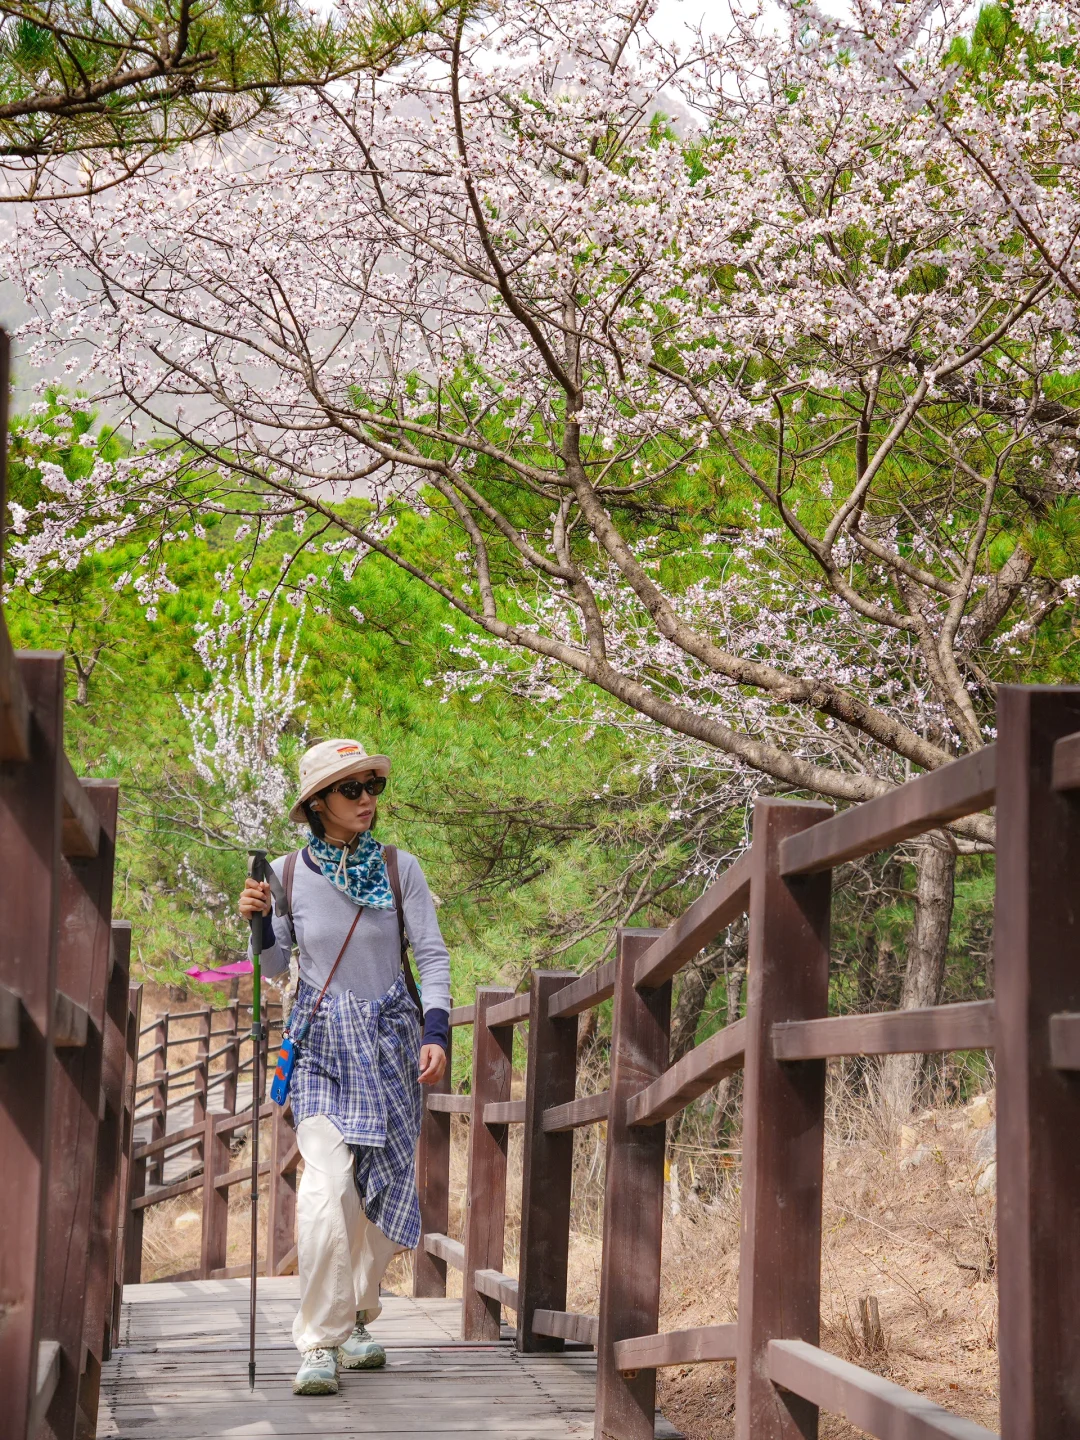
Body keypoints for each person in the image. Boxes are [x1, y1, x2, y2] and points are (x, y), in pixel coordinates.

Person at [238, 738, 451, 1396]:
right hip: (322, 1049)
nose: (366, 799)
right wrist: (258, 926)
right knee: (325, 1187)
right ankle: (320, 1342)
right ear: (317, 804)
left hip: (392, 1046)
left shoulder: (398, 868)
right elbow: (276, 970)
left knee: (377, 1195)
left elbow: (433, 956)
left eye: (372, 787)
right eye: (351, 789)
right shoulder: (286, 875)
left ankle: (359, 1316)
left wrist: (437, 1030)